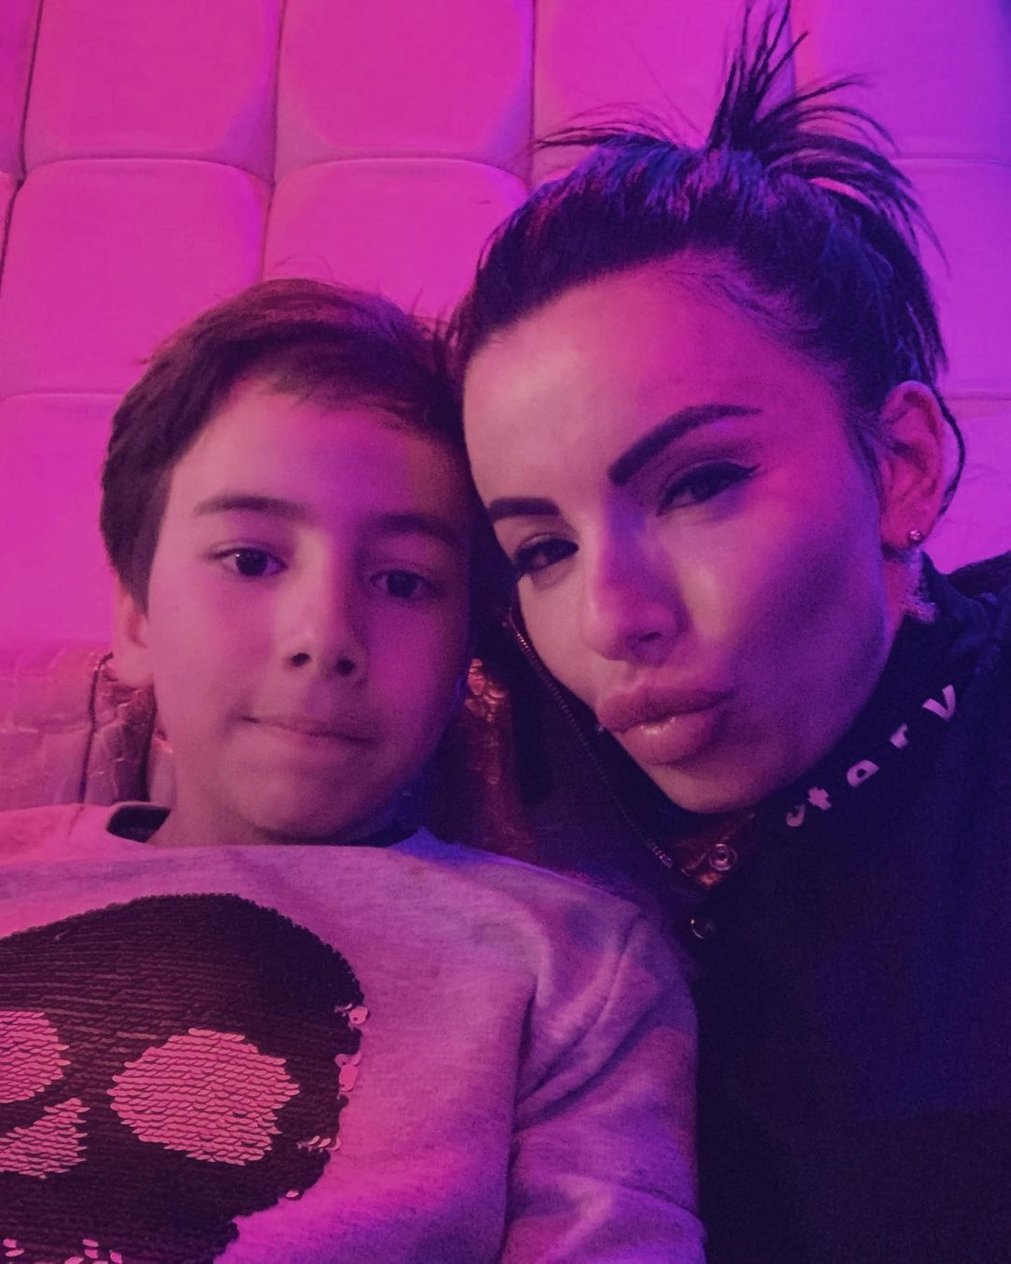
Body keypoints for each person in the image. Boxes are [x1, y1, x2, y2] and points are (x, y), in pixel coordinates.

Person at [453, 9, 1011, 1263]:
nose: (612, 619)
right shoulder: (516, 781)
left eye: (697, 485)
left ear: (903, 463)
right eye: (542, 549)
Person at [0, 279, 704, 1263]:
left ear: (467, 651)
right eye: (250, 560)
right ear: (137, 617)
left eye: (404, 582)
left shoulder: (570, 963)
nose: (324, 635)